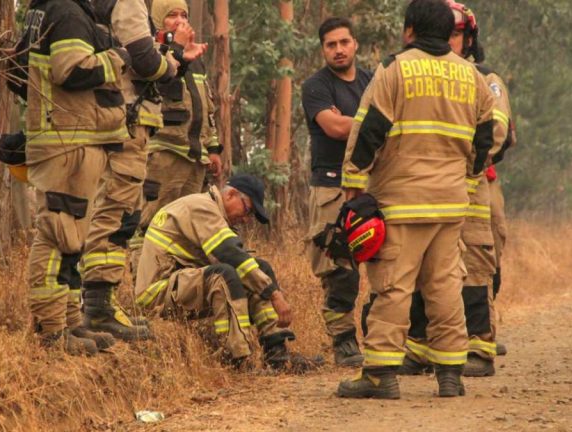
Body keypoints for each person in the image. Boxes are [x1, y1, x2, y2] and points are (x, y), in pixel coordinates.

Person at [336, 0, 496, 399]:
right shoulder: (471, 76)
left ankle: (379, 375)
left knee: (393, 286)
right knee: (444, 286)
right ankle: (450, 374)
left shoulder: (395, 68)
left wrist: (353, 183)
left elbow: (369, 130)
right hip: (451, 202)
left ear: (409, 30)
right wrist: (469, 178)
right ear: (447, 32)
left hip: (402, 201)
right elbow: (485, 137)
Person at [398, 0, 514, 377]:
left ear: (470, 38)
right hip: (427, 186)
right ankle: (418, 347)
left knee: (476, 264)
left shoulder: (486, 78)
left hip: (472, 186)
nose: (450, 40)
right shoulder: (416, 73)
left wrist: (457, 160)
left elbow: (497, 132)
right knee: (422, 264)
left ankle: (479, 346)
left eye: (457, 34)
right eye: (445, 32)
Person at [80, 0, 203, 342]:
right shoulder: (127, 3)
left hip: (125, 122)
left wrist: (173, 55)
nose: (179, 20)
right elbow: (146, 63)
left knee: (121, 214)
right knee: (117, 214)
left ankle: (99, 305)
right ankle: (96, 308)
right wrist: (173, 52)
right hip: (125, 123)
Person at [21, 0, 137, 354]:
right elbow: (69, 70)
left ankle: (70, 323)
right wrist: (118, 57)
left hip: (73, 137)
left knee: (72, 239)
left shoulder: (58, 10)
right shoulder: (67, 12)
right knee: (58, 234)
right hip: (67, 141)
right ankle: (51, 330)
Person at [134, 174, 323, 371]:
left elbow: (242, 262)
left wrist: (266, 285)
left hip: (182, 284)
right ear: (231, 194)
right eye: (248, 210)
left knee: (259, 269)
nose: (246, 220)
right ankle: (237, 358)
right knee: (224, 275)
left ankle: (277, 355)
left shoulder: (214, 211)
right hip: (156, 293)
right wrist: (275, 295)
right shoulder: (202, 207)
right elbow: (228, 252)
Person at [129, 0, 223, 278]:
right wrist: (177, 51)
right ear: (158, 21)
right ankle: (142, 287)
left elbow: (207, 106)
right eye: (171, 15)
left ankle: (176, 289)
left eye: (183, 14)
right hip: (163, 156)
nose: (180, 20)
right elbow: (157, 87)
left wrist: (213, 147)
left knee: (186, 227)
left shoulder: (196, 57)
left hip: (195, 158)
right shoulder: (150, 54)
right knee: (150, 222)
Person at [301, 17, 373, 367]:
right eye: (331, 44)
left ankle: (378, 336)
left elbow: (351, 123)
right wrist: (371, 121)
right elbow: (334, 128)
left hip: (371, 186)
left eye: (344, 42)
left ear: (355, 44)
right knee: (339, 268)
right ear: (323, 49)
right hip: (330, 185)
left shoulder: (371, 80)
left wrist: (352, 118)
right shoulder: (315, 86)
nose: (339, 49)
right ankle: (344, 342)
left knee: (381, 263)